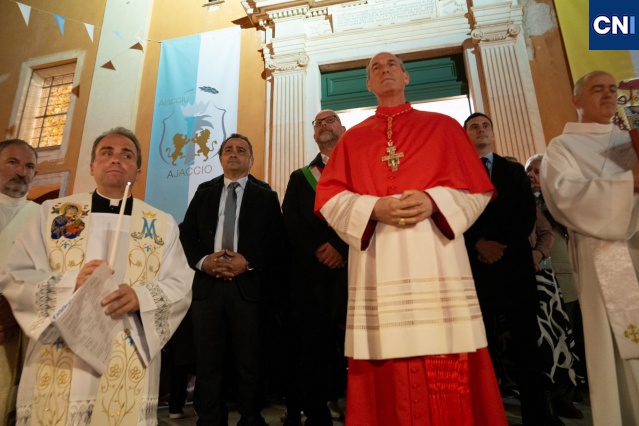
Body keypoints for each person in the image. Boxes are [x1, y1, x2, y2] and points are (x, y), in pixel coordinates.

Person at [315, 52, 506, 426]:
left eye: (392, 65)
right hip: (378, 259)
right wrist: (373, 208)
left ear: (406, 77)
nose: (384, 70)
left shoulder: (445, 127)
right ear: (368, 84)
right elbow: (329, 197)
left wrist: (435, 201)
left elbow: (478, 190)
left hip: (437, 256)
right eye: (375, 67)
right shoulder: (352, 140)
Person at [0, 127, 194, 426]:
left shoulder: (161, 223)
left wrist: (140, 297)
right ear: (92, 166)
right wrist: (70, 283)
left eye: (126, 155)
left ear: (138, 170)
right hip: (63, 350)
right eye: (107, 153)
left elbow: (180, 283)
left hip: (127, 348)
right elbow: (16, 274)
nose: (116, 159)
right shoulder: (53, 213)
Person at [541, 70, 639, 425]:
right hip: (604, 257)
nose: (609, 94)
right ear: (576, 100)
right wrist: (629, 183)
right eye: (598, 89)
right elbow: (565, 198)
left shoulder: (629, 142)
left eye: (612, 88)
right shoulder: (562, 148)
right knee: (620, 345)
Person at [464, 112, 563, 426]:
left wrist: (498, 246)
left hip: (515, 268)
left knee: (526, 344)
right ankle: (488, 414)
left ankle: (537, 414)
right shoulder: (457, 171)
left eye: (485, 126)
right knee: (483, 344)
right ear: (466, 136)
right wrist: (478, 243)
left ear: (493, 133)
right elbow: (454, 215)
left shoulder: (513, 171)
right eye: (474, 127)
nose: (481, 130)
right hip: (476, 269)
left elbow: (525, 214)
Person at [180, 133, 284, 426]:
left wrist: (247, 263)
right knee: (208, 360)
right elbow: (186, 235)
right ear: (221, 158)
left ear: (251, 160)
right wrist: (204, 261)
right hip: (208, 289)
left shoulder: (266, 196)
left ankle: (250, 417)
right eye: (228, 150)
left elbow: (276, 243)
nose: (234, 154)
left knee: (249, 360)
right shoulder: (204, 192)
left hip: (248, 289)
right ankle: (210, 418)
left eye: (241, 150)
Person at [281, 110, 348, 426]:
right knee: (314, 347)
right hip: (313, 276)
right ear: (313, 133)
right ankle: (318, 411)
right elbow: (291, 220)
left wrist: (341, 247)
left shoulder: (359, 167)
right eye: (318, 122)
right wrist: (321, 248)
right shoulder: (300, 177)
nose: (323, 124)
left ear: (343, 128)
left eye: (330, 119)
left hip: (353, 268)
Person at [0, 139, 39, 426]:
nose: (21, 172)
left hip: (18, 324)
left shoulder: (43, 216)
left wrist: (13, 310)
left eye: (29, 167)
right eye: (12, 162)